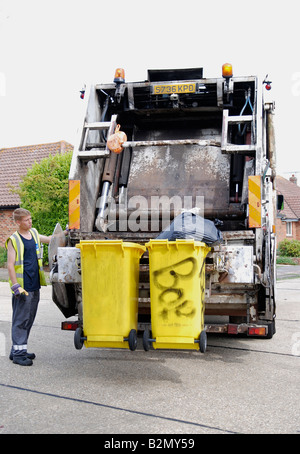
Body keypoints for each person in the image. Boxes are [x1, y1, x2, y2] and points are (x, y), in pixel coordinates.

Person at [5, 208, 52, 366]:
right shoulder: (14, 240)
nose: (30, 222)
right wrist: (16, 286)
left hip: (34, 285)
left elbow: (50, 239)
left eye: (30, 219)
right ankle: (18, 355)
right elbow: (10, 265)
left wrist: (65, 233)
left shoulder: (33, 234)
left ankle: (18, 349)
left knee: (29, 318)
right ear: (18, 222)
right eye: (27, 220)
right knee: (21, 320)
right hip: (23, 286)